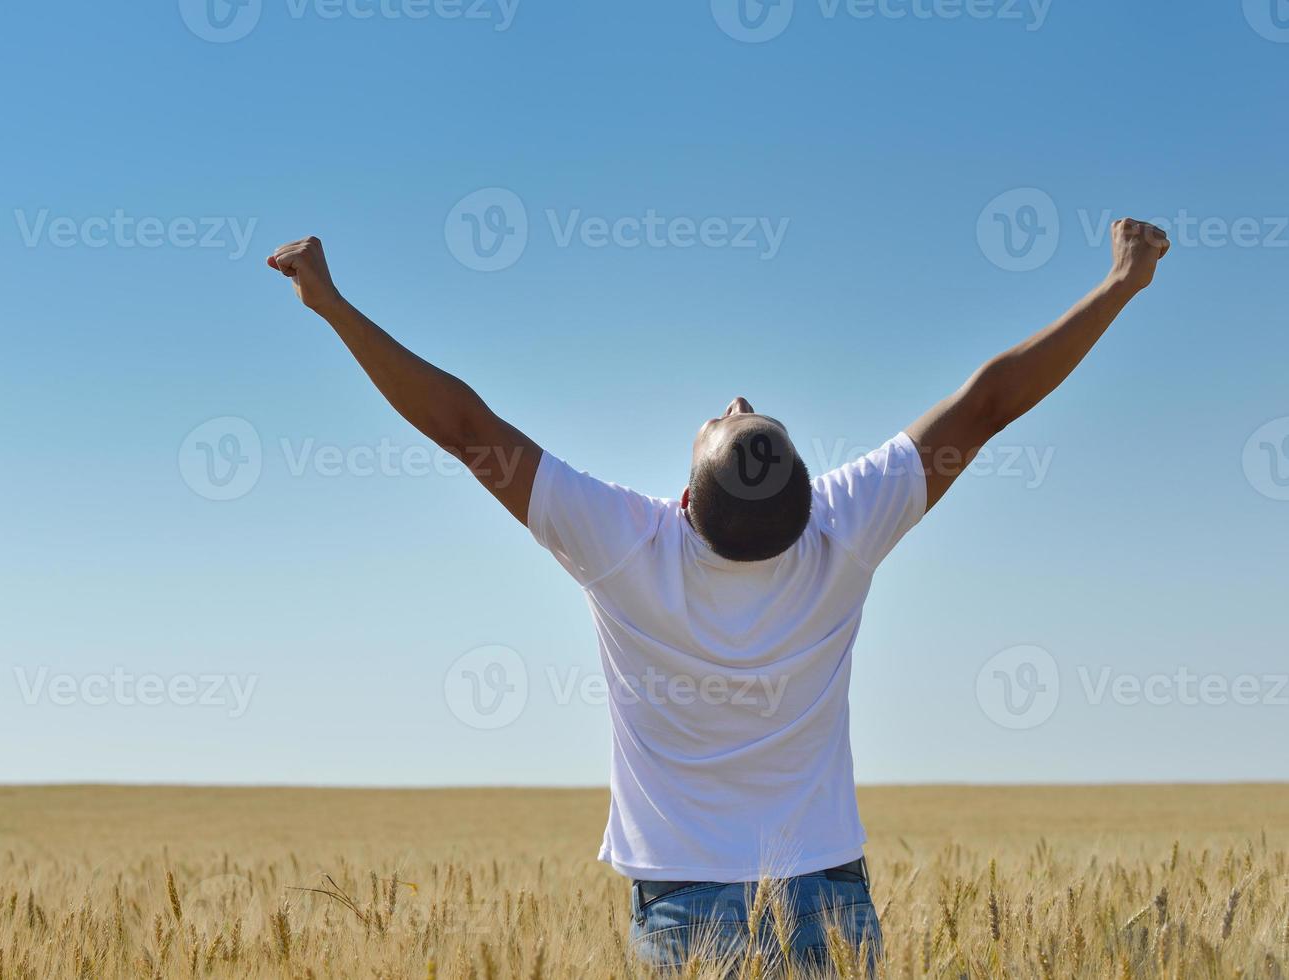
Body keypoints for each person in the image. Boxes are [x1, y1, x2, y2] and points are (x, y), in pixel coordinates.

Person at [266, 217, 1171, 974]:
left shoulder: (627, 544)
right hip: (828, 893)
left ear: (688, 501)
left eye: (733, 419)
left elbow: (466, 430)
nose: (735, 401)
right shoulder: (843, 531)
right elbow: (987, 404)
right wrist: (1121, 284)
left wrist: (331, 306)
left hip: (683, 902)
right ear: (811, 495)